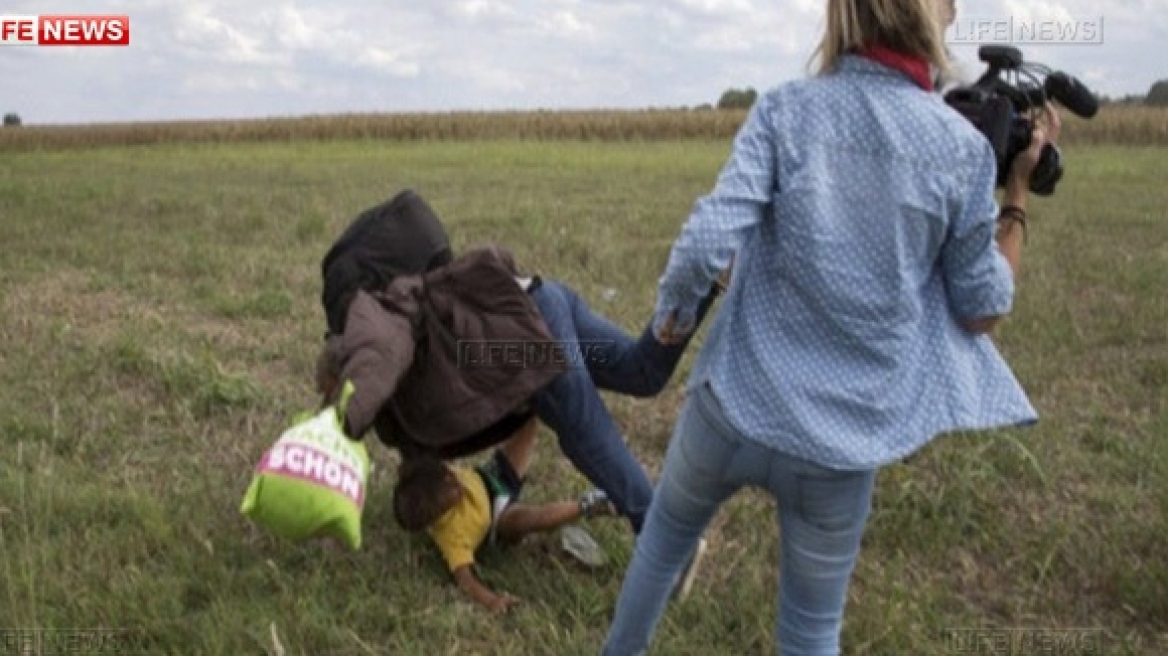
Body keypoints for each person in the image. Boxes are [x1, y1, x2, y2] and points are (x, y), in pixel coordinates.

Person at [600, 0, 1061, 652]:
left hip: (731, 406)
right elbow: (981, 309)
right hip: (840, 446)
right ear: (930, 18)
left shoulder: (786, 110)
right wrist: (1016, 196)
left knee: (662, 544)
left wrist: (672, 319)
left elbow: (705, 243)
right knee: (811, 628)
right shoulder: (961, 150)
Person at [315, 245, 723, 537]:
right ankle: (702, 278)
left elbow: (378, 360)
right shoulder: (401, 416)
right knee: (640, 371)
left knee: (585, 434)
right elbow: (422, 466)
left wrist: (340, 426)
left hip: (525, 343)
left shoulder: (380, 336)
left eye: (334, 392)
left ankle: (667, 539)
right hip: (543, 303)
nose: (333, 401)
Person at [391, 415, 619, 613]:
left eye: (450, 476)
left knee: (525, 424)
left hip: (492, 478)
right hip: (499, 518)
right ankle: (590, 505)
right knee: (529, 519)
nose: (455, 480)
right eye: (451, 490)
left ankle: (535, 401)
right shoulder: (452, 537)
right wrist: (492, 601)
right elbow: (466, 581)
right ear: (438, 513)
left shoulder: (434, 476)